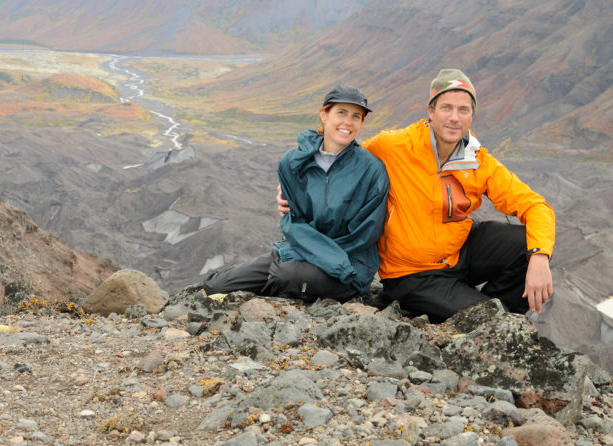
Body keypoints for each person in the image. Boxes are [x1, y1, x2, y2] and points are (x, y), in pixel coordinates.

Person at [277, 69, 555, 321]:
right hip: (411, 273)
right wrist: (296, 185)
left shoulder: (478, 160)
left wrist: (540, 257)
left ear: (472, 116)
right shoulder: (394, 146)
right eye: (446, 107)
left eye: (463, 110)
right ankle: (487, 317)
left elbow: (536, 206)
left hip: (459, 253)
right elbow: (341, 155)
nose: (454, 117)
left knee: (526, 245)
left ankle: (503, 317)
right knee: (485, 318)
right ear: (431, 111)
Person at [203, 85, 389, 303]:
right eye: (341, 113)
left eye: (356, 116)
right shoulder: (292, 162)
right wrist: (297, 253)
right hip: (299, 251)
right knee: (216, 285)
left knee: (284, 275)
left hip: (348, 267)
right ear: (324, 114)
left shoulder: (372, 170)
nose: (348, 122)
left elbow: (363, 236)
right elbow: (293, 222)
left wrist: (308, 256)